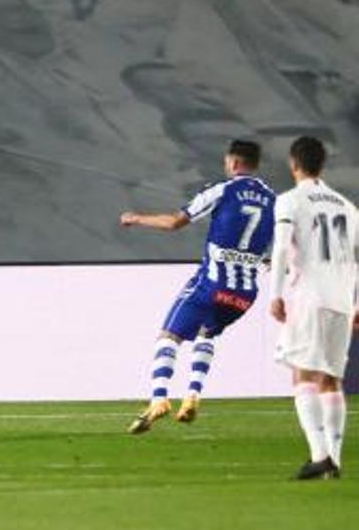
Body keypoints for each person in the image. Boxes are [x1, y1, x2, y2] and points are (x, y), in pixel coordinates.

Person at [120, 139, 274, 433]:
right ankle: (192, 394)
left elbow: (174, 223)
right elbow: (278, 242)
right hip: (244, 293)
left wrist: (137, 218)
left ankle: (159, 397)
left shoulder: (224, 189)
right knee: (208, 332)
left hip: (212, 283)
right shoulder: (273, 199)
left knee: (169, 336)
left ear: (233, 162)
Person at [267, 136, 357, 480]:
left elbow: (281, 248)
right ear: (322, 164)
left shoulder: (290, 201)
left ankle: (319, 455)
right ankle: (333, 460)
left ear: (293, 164)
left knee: (302, 373)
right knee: (332, 380)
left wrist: (275, 294)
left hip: (310, 297)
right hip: (342, 301)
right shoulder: (347, 206)